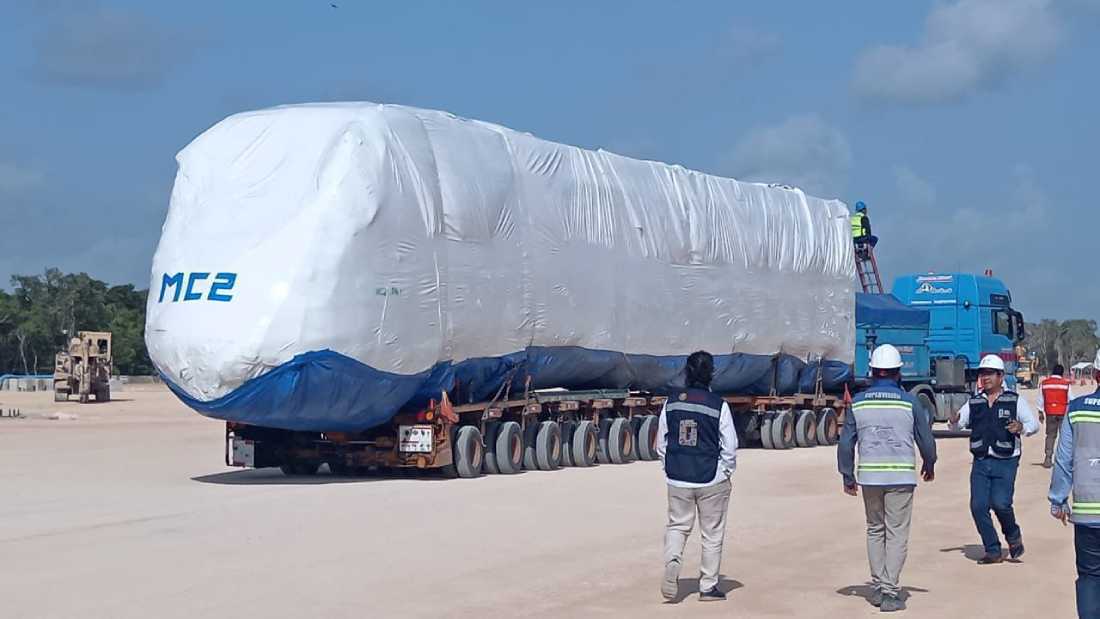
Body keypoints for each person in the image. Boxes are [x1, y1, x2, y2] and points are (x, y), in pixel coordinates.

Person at [838, 344, 937, 612]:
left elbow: (846, 443)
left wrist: (847, 476)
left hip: (870, 477)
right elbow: (925, 439)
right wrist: (929, 463)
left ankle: (879, 587)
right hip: (901, 477)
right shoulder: (909, 402)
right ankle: (891, 591)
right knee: (896, 534)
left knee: (874, 529)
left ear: (871, 372)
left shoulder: (858, 403)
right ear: (898, 373)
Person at [657, 350, 738, 602]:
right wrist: (724, 471)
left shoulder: (671, 402)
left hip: (678, 476)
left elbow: (661, 442)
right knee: (711, 533)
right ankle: (708, 587)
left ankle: (672, 560)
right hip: (710, 478)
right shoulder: (719, 405)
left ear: (686, 372)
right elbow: (730, 445)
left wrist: (669, 467)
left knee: (678, 525)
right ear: (711, 373)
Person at [950, 354, 1041, 564]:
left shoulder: (1014, 400)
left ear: (1001, 376)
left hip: (1006, 459)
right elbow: (958, 424)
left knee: (1001, 503)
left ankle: (1013, 535)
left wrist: (1022, 428)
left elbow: (1033, 425)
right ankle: (992, 549)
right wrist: (953, 420)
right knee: (978, 506)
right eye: (982, 373)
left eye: (990, 373)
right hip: (982, 460)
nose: (985, 377)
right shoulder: (974, 401)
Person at [1049, 350, 1100, 618]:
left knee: (1091, 578)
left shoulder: (1078, 409)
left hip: (1088, 514)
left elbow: (1063, 459)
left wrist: (1058, 500)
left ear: (1095, 375)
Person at [1040, 364, 1072, 468]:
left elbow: (1040, 399)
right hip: (1062, 412)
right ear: (1062, 373)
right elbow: (1071, 399)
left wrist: (1040, 413)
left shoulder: (1044, 384)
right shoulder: (1066, 384)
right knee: (1064, 437)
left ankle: (1048, 458)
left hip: (1049, 413)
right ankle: (1064, 459)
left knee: (1050, 436)